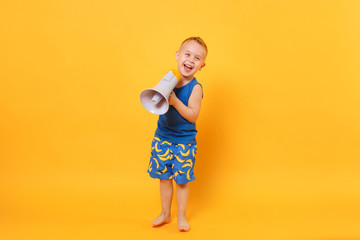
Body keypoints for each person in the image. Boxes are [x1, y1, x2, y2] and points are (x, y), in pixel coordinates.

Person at [147, 37, 207, 232]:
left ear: (201, 66)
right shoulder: (169, 79)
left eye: (197, 58)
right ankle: (165, 213)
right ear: (177, 56)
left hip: (184, 142)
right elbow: (156, 102)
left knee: (181, 180)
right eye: (187, 54)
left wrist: (174, 101)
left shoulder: (195, 88)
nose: (191, 60)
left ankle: (181, 214)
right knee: (163, 177)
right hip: (162, 137)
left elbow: (192, 115)